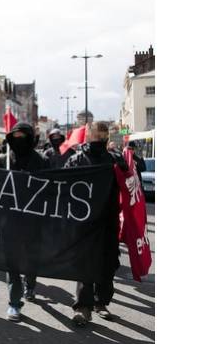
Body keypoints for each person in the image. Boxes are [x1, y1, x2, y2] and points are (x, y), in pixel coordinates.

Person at [64, 121, 126, 326]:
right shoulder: (77, 160)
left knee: (108, 265)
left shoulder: (114, 160)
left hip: (108, 223)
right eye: (97, 135)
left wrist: (123, 161)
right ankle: (83, 307)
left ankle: (101, 303)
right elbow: (63, 185)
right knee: (85, 266)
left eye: (102, 136)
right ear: (89, 136)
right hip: (85, 224)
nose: (99, 139)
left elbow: (129, 181)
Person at [0, 122, 50, 322]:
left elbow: (50, 193)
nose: (19, 140)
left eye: (23, 136)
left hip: (33, 223)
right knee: (13, 264)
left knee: (32, 260)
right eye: (15, 136)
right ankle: (14, 303)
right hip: (9, 223)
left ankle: (31, 285)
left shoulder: (42, 162)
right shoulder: (2, 161)